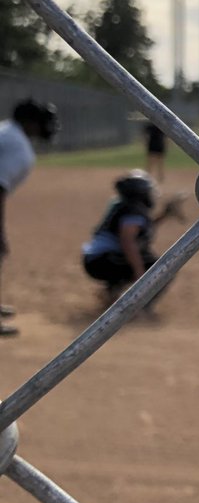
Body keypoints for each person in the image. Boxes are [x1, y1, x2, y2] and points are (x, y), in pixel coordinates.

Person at [82, 170, 184, 308]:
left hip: (98, 259)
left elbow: (138, 230)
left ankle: (111, 296)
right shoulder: (133, 211)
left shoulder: (123, 206)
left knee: (141, 258)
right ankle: (139, 307)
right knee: (162, 268)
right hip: (104, 261)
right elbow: (128, 241)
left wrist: (165, 215)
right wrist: (140, 274)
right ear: (140, 193)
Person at [0, 98, 59, 337]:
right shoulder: (19, 147)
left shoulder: (7, 131)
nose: (45, 126)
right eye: (41, 122)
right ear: (29, 123)